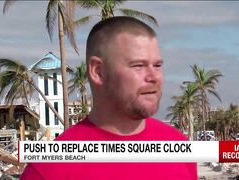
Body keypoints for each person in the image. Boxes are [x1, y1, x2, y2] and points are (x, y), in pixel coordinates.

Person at [21, 16, 198, 179]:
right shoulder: (48, 168)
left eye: (157, 65)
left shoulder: (178, 146)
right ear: (98, 71)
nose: (154, 76)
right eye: (138, 65)